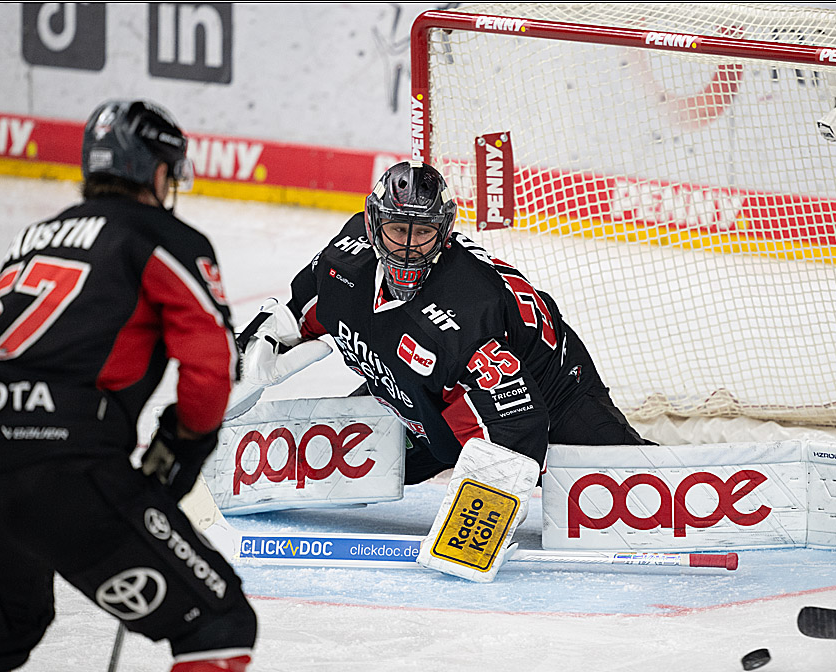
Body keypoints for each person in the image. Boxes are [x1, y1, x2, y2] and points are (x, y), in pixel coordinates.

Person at [0, 100, 256, 672]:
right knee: (217, 624)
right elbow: (211, 366)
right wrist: (185, 443)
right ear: (157, 171)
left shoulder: (35, 236)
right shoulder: (163, 235)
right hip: (58, 455)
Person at [272, 160, 652, 485]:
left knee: (635, 489)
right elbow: (296, 312)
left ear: (444, 233)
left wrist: (473, 527)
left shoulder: (467, 312)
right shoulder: (345, 258)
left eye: (422, 232)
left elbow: (518, 424)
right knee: (327, 465)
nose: (408, 246)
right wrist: (251, 350)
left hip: (555, 393)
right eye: (398, 230)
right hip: (422, 394)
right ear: (373, 224)